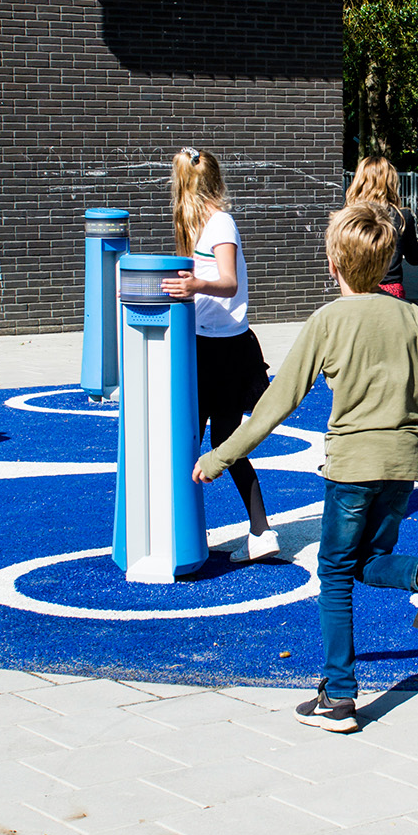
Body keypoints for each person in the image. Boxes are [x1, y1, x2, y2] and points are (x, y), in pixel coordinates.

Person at [196, 202, 418, 733]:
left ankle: (340, 696)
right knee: (369, 559)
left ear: (333, 263)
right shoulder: (413, 318)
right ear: (389, 258)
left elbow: (277, 403)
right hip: (401, 468)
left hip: (350, 466)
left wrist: (220, 456)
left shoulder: (327, 321)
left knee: (334, 572)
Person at [160, 148, 277, 563]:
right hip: (205, 343)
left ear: (189, 184)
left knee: (217, 440)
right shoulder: (198, 226)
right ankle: (207, 531)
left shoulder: (220, 222)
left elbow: (227, 283)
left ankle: (257, 530)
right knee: (202, 438)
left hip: (223, 349)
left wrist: (194, 287)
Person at [342, 156, 418, 299]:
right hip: (391, 290)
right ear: (390, 182)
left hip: (355, 289)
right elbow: (414, 258)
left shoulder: (347, 216)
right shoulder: (401, 216)